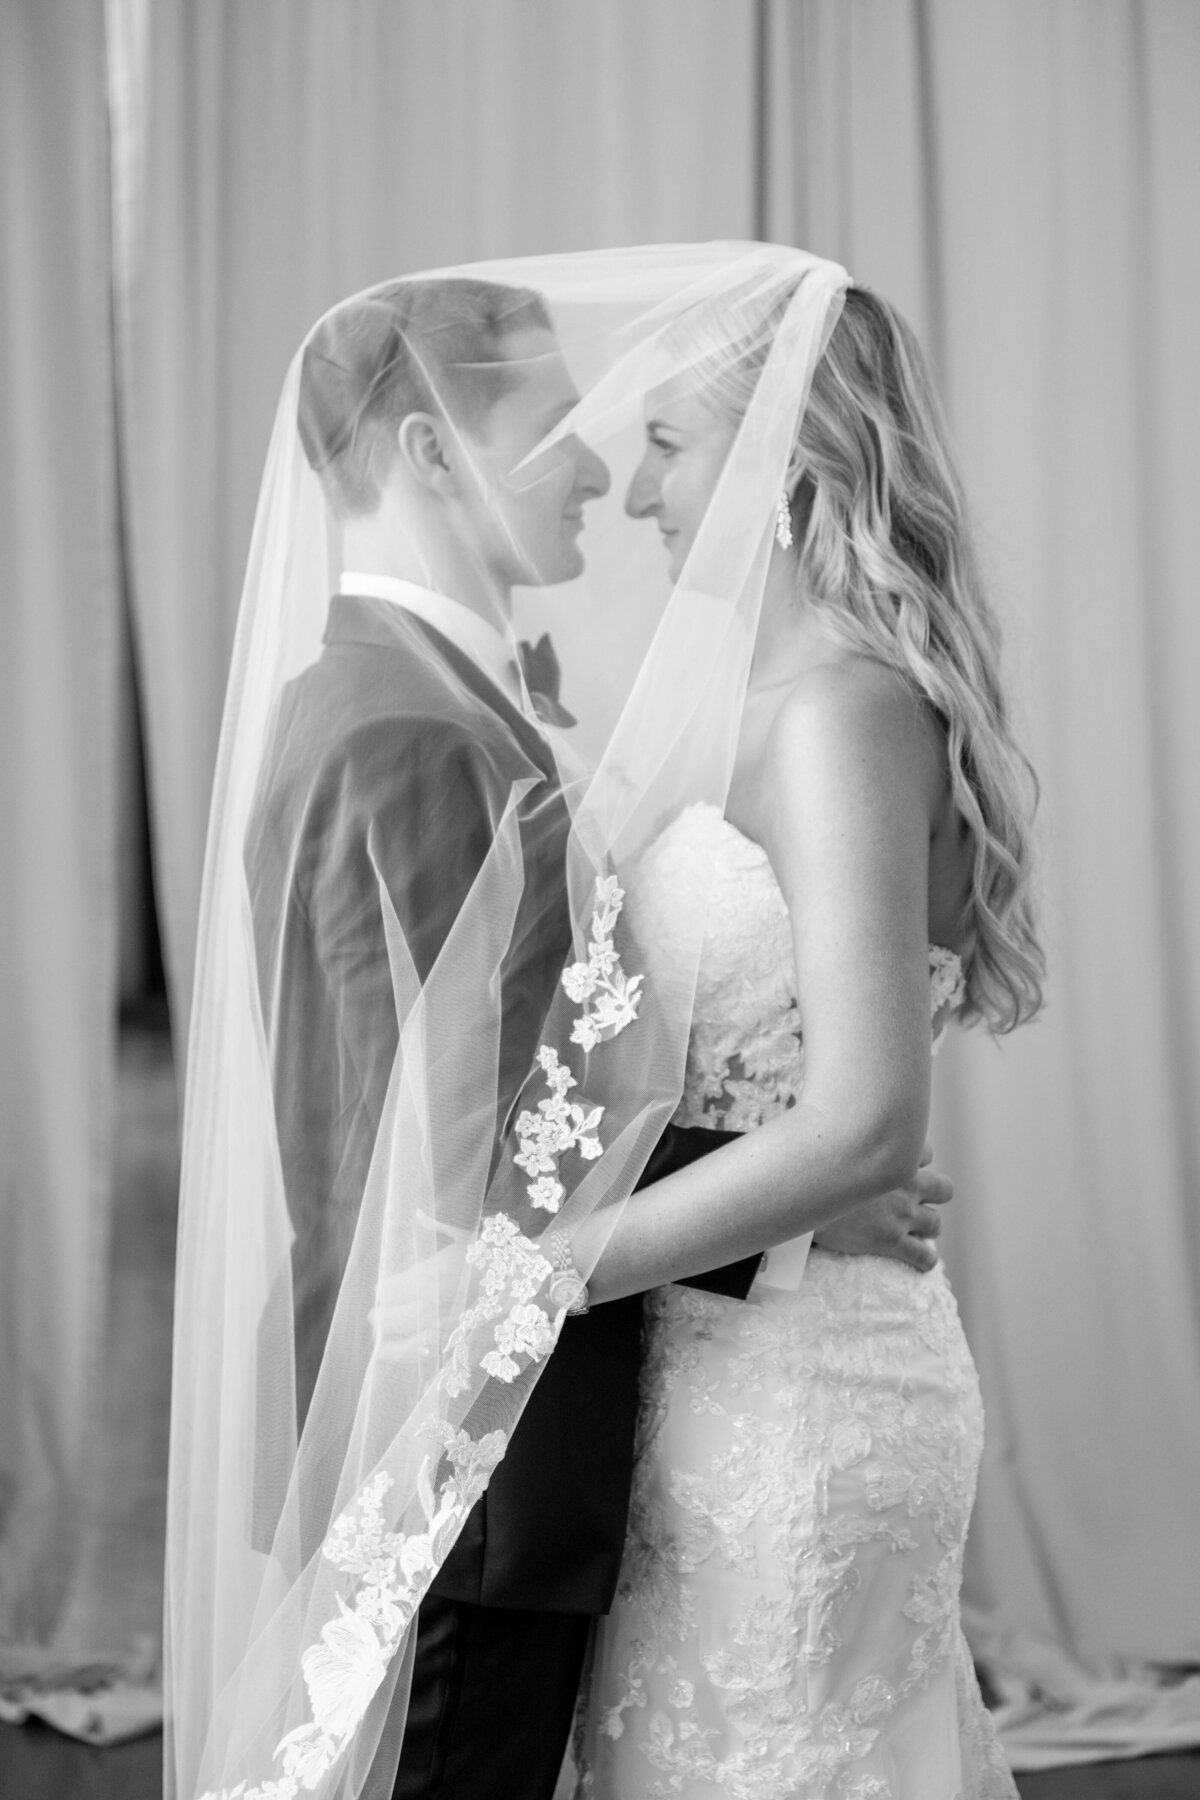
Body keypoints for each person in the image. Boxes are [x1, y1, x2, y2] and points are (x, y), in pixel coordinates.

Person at [168, 250, 958, 1800]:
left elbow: (522, 1104)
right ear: (426, 452)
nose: (602, 467)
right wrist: (806, 1214)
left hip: (556, 1430)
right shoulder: (405, 735)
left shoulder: (434, 710)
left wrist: (819, 1182)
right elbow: (459, 1167)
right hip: (462, 1448)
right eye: (558, 423)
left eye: (648, 434)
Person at [570, 278, 1044, 1794]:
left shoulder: (838, 713)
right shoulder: (777, 699)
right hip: (722, 1363)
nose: (635, 490)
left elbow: (859, 1130)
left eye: (667, 444)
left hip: (797, 1417)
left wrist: (537, 1279)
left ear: (782, 456)